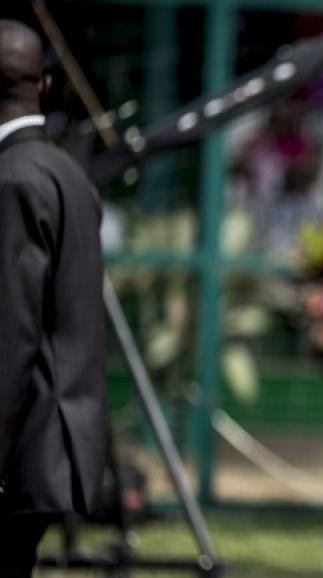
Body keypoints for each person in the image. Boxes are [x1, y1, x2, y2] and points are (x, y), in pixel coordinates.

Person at [0, 20, 107, 577]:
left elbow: (9, 334)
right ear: (42, 86)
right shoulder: (66, 171)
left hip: (20, 445)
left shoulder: (11, 178)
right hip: (58, 436)